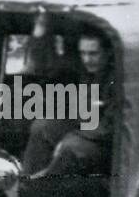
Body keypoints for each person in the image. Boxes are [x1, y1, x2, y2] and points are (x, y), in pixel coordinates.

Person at [21, 30, 116, 177]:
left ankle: (43, 185)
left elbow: (109, 129)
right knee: (41, 127)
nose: (87, 59)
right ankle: (26, 178)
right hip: (86, 128)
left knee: (70, 147)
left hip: (105, 142)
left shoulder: (116, 80)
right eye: (83, 53)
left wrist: (72, 136)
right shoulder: (89, 74)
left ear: (107, 53)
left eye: (93, 54)